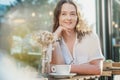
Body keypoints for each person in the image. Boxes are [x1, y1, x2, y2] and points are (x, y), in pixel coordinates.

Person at [50, 0, 104, 75]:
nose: (68, 18)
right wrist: (54, 39)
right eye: (64, 14)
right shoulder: (54, 40)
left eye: (72, 14)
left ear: (77, 17)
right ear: (58, 17)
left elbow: (97, 69)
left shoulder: (90, 37)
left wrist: (65, 67)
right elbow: (55, 71)